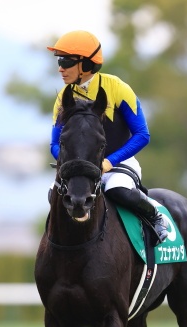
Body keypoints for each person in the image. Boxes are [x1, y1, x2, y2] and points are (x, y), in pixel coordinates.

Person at [47, 30, 168, 244]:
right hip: (80, 168)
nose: (60, 68)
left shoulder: (118, 88)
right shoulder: (63, 97)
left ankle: (155, 217)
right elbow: (54, 144)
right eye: (59, 62)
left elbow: (142, 135)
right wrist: (72, 164)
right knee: (53, 194)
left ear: (85, 65)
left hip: (118, 163)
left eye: (66, 62)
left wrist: (109, 162)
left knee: (118, 190)